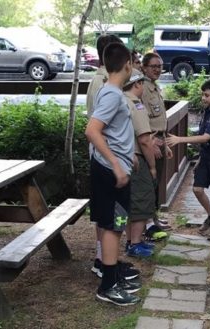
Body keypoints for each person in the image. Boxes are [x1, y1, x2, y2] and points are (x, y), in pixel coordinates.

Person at [85, 42, 142, 306]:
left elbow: (112, 131)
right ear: (128, 64)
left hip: (114, 167)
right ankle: (108, 286)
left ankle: (112, 275)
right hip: (110, 172)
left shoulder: (111, 91)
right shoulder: (113, 95)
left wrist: (128, 155)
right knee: (113, 225)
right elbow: (92, 130)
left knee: (114, 225)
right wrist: (117, 165)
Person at [166, 79, 210, 241]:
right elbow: (205, 140)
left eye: (206, 95)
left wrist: (180, 139)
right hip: (206, 156)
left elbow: (206, 137)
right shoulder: (207, 111)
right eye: (203, 94)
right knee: (197, 189)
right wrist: (200, 159)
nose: (203, 98)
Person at [123, 68, 157, 258]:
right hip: (136, 158)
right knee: (141, 199)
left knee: (129, 201)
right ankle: (135, 243)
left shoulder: (119, 100)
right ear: (137, 84)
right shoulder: (136, 105)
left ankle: (130, 241)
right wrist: (152, 167)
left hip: (121, 158)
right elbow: (144, 139)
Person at [140, 52, 173, 235]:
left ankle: (154, 218)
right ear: (144, 67)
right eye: (153, 66)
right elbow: (141, 118)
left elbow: (161, 118)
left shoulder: (155, 87)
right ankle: (147, 223)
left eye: (160, 66)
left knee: (157, 182)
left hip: (160, 139)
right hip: (150, 142)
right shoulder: (143, 88)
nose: (158, 70)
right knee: (149, 183)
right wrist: (151, 141)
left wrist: (165, 142)